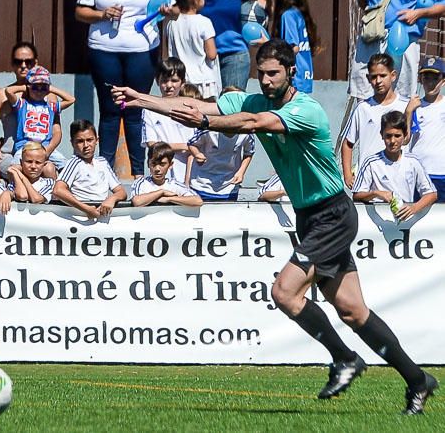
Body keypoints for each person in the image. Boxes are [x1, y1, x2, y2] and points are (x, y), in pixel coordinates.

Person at [112, 39, 438, 414]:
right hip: (310, 217)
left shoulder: (306, 109)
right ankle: (417, 380)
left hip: (333, 213)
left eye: (273, 74)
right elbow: (195, 104)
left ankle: (344, 358)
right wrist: (145, 99)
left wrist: (203, 121)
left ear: (291, 73)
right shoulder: (254, 99)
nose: (265, 81)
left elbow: (250, 123)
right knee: (352, 311)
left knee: (284, 292)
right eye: (261, 74)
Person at [75, 0, 175, 176]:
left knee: (135, 110)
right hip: (104, 50)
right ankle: (104, 172)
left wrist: (166, 12)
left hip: (142, 50)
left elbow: (174, 10)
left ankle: (139, 174)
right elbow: (80, 11)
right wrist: (102, 14)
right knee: (110, 110)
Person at [349, 0, 445, 101]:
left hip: (404, 42)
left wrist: (418, 13)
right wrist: (377, 17)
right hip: (372, 38)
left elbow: (442, 4)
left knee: (402, 99)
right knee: (365, 97)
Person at [0, 42, 64, 179]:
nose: (23, 66)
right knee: (19, 173)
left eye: (29, 62)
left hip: (41, 154)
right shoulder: (1, 94)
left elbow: (56, 131)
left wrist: (46, 152)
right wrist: (0, 111)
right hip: (11, 154)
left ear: (36, 63)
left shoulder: (48, 96)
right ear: (12, 65)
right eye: (18, 62)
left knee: (50, 171)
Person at [182, 0, 272, 90]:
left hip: (234, 54)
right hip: (199, 55)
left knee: (232, 105)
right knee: (198, 105)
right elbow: (175, 10)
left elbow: (260, 8)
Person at [353, 111, 437, 220]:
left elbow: (431, 194)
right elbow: (357, 196)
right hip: (378, 224)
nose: (392, 141)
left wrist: (413, 208)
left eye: (397, 136)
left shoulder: (413, 162)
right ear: (381, 135)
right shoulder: (371, 162)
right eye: (388, 136)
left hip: (405, 221)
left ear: (405, 135)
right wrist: (376, 193)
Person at [341, 53, 408, 188]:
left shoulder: (406, 106)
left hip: (398, 182)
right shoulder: (363, 108)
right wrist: (347, 174)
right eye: (373, 77)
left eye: (383, 76)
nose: (378, 81)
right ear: (368, 78)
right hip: (367, 184)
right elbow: (348, 143)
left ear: (393, 75)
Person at [4, 65, 75, 178]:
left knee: (67, 167)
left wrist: (50, 88)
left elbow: (71, 99)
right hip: (24, 146)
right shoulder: (22, 104)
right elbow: (8, 91)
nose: (39, 91)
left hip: (45, 146)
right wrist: (26, 87)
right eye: (35, 87)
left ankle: (60, 191)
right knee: (15, 168)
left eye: (43, 88)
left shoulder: (51, 106)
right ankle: (15, 190)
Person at [53, 120, 127, 219]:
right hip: (82, 216)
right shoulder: (74, 163)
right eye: (80, 141)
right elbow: (58, 190)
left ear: (97, 140)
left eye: (89, 140)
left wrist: (112, 199)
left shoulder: (102, 162)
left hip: (102, 216)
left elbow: (121, 192)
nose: (86, 145)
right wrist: (86, 209)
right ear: (72, 143)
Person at [141, 58, 195, 182]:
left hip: (190, 175)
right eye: (165, 81)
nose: (169, 86)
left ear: (183, 82)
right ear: (157, 81)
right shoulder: (149, 110)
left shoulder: (191, 108)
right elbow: (152, 144)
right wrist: (186, 146)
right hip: (163, 178)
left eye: (174, 81)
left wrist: (189, 148)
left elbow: (199, 145)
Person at [166, 0, 221, 100]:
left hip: (181, 80)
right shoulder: (204, 22)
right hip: (202, 81)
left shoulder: (171, 24)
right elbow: (211, 54)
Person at [269, 0, 319, 94]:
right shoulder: (300, 14)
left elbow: (293, 48)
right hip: (305, 74)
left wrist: (266, 46)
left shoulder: (288, 15)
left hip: (294, 78)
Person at [405, 56, 445, 202]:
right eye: (426, 77)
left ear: (443, 80)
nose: (431, 82)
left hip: (441, 172)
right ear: (421, 80)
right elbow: (404, 140)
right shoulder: (415, 106)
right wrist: (408, 112)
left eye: (435, 78)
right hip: (419, 172)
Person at [186, 125, 255, 201]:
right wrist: (197, 154)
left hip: (229, 185)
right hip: (202, 183)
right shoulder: (208, 131)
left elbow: (249, 153)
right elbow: (192, 144)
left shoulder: (246, 133)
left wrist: (241, 172)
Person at [131, 142, 202, 207]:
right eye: (153, 164)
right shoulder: (141, 183)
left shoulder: (174, 184)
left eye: (162, 164)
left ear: (170, 165)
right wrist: (162, 192)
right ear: (148, 164)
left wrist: (170, 199)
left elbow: (198, 201)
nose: (157, 169)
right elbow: (137, 202)